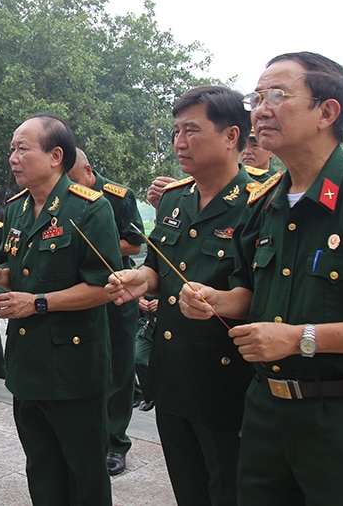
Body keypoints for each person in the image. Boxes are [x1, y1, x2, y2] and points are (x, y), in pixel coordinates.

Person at [180, 52, 343, 506]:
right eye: (257, 97)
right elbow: (248, 295)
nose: (261, 109)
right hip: (267, 416)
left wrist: (301, 339)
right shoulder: (266, 201)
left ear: (326, 113)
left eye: (278, 95)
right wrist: (215, 299)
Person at [105, 85, 255, 506]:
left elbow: (265, 295)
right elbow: (158, 266)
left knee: (229, 489)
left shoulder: (258, 204)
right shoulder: (173, 199)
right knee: (188, 489)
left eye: (192, 130)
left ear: (231, 136)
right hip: (171, 376)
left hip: (226, 381)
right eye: (175, 131)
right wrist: (141, 280)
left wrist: (220, 301)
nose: (179, 142)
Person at [0, 114, 121, 506]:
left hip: (73, 367)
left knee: (84, 472)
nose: (13, 158)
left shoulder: (90, 209)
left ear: (56, 155)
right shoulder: (19, 210)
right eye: (11, 150)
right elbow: (21, 272)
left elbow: (103, 288)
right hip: (29, 366)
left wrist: (37, 304)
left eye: (23, 148)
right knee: (41, 467)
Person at [67, 148, 144, 476]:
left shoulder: (118, 195)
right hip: (80, 289)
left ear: (87, 170)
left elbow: (136, 244)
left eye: (71, 179)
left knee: (119, 368)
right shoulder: (64, 198)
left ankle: (115, 441)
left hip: (117, 291)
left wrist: (101, 241)